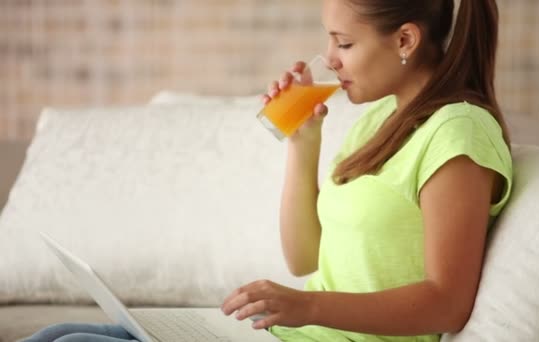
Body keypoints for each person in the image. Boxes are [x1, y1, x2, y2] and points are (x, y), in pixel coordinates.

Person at [25, 0, 512, 341]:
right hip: (291, 337)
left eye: (344, 42)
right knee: (58, 333)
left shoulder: (459, 132)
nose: (330, 58)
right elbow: (305, 259)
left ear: (405, 38)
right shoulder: (380, 120)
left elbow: (448, 301)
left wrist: (309, 307)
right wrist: (303, 144)